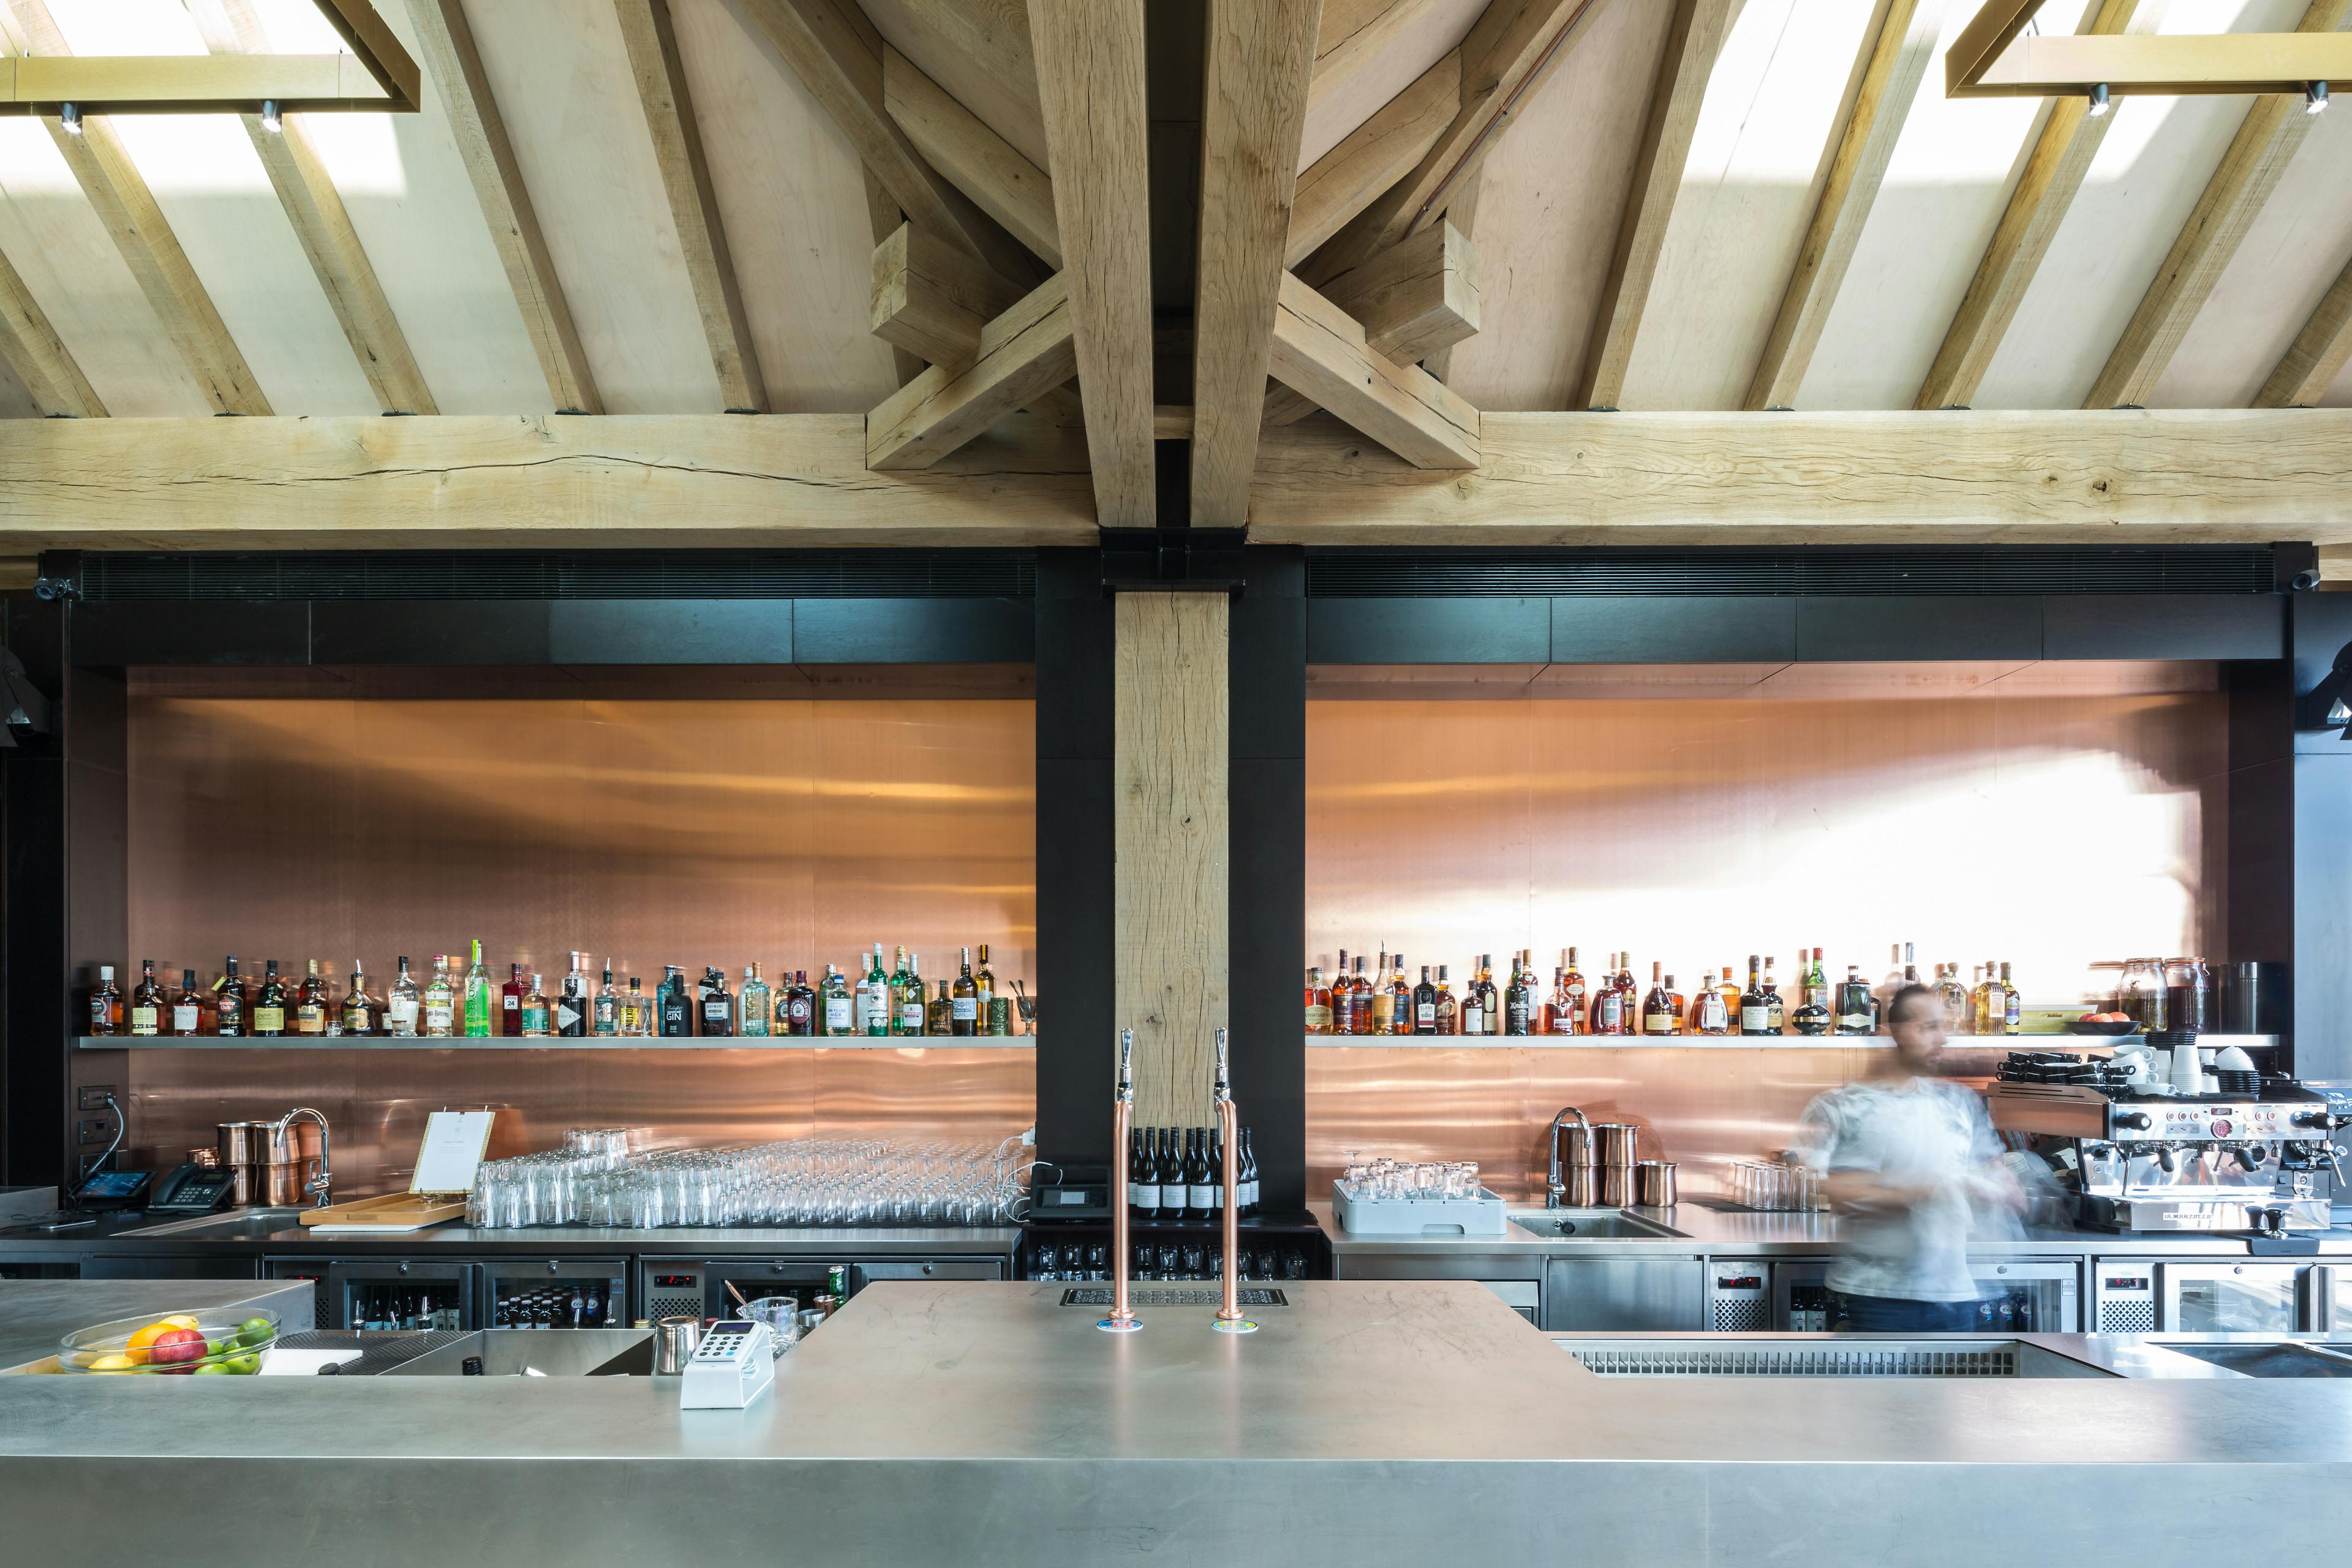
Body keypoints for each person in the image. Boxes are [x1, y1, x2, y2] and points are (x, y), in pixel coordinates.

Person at [1789, 981, 2021, 1332]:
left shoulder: (1958, 1104)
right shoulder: (1845, 1107)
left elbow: (1995, 1168)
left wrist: (2003, 1187)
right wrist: (1931, 1189)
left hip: (1959, 1293)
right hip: (1879, 1296)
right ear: (1892, 1033)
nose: (1942, 1039)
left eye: (1943, 1027)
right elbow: (1835, 1193)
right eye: (1927, 1028)